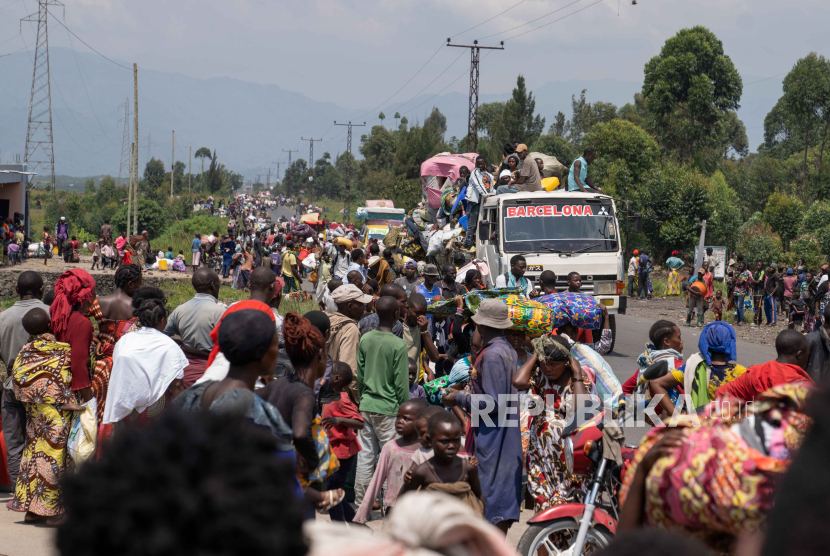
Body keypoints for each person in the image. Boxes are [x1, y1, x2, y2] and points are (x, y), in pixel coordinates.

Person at [442, 299, 521, 533]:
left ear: (482, 327)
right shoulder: (505, 350)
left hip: (493, 431)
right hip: (499, 428)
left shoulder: (494, 355)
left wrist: (458, 398)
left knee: (490, 494)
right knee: (497, 491)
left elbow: (493, 402)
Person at [260, 312, 344, 513]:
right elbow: (300, 433)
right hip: (296, 482)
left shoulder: (276, 385)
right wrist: (314, 462)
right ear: (321, 357)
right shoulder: (304, 394)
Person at [512, 334, 597, 510]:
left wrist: (577, 374)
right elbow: (517, 381)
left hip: (566, 458)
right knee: (543, 504)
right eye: (544, 363)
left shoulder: (579, 379)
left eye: (553, 364)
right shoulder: (539, 375)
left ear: (566, 361)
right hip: (540, 453)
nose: (548, 368)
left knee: (566, 506)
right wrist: (537, 355)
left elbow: (584, 410)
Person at [9, 308, 74, 524]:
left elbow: (17, 379)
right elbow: (65, 375)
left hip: (34, 414)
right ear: (49, 326)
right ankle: (52, 512)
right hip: (55, 414)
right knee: (53, 458)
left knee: (33, 458)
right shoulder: (60, 349)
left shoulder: (25, 351)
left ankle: (32, 509)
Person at [353, 296, 410, 507]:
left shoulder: (365, 339)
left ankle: (361, 506)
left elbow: (359, 376)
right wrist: (405, 411)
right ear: (397, 315)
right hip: (390, 410)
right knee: (391, 461)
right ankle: (390, 506)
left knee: (365, 459)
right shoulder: (399, 345)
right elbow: (402, 385)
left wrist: (363, 399)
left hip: (366, 406)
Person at [102, 289, 187, 429]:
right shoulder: (170, 346)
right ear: (162, 320)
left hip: (126, 409)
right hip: (156, 411)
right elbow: (177, 386)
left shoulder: (124, 341)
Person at [0, 271, 50, 490]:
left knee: (15, 444)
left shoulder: (2, 318)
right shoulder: (51, 314)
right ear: (42, 289)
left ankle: (19, 492)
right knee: (44, 440)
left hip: (12, 384)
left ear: (17, 290)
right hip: (47, 384)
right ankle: (43, 490)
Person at [648, 321, 747, 414]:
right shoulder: (741, 372)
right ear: (730, 343)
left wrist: (677, 417)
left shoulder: (693, 368)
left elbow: (655, 382)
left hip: (700, 428)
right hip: (730, 428)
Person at [354, 399, 427, 523]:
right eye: (398, 417)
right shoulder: (390, 447)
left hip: (421, 511)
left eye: (406, 419)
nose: (399, 422)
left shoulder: (427, 450)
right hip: (394, 510)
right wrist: (361, 516)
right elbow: (376, 481)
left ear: (422, 422)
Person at [87, 264, 143, 425]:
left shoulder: (97, 302)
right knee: (125, 412)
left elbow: (76, 322)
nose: (140, 287)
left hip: (101, 364)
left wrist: (95, 340)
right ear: (131, 284)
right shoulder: (138, 306)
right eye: (139, 284)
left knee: (100, 408)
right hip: (127, 365)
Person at [401, 411, 484, 516]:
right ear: (430, 440)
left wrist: (483, 524)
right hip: (432, 527)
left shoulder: (468, 468)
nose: (451, 446)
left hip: (464, 525)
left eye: (456, 441)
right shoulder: (422, 472)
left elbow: (479, 496)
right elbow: (403, 500)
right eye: (444, 441)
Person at [163, 268, 227, 388]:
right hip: (212, 372)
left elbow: (162, 335)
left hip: (184, 373)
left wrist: (180, 344)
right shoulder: (221, 312)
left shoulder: (180, 310)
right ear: (213, 285)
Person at [715, 329, 813, 401]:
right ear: (799, 355)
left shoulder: (755, 373)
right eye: (807, 355)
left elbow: (720, 394)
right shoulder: (804, 388)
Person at [320, 362, 364, 522]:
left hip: (342, 453)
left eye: (327, 373)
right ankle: (355, 523)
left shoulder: (341, 399)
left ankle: (339, 528)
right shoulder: (330, 395)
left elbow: (360, 423)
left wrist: (339, 419)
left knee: (332, 494)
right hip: (333, 451)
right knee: (334, 492)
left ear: (337, 378)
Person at [50, 269, 96, 405]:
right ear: (89, 296)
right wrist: (89, 401)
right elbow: (78, 366)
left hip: (55, 386)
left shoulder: (60, 318)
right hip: (70, 392)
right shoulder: (82, 323)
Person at [325, 283, 373, 397]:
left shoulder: (326, 319)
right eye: (361, 305)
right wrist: (356, 400)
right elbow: (349, 371)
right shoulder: (350, 329)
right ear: (350, 306)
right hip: (337, 396)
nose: (364, 308)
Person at [463, 156, 492, 251]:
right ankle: (468, 244)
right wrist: (486, 195)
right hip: (475, 202)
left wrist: (492, 195)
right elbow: (478, 185)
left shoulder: (489, 175)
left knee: (484, 223)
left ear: (485, 164)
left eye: (482, 163)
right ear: (476, 164)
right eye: (478, 164)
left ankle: (479, 243)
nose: (480, 165)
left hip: (485, 201)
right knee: (472, 224)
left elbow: (490, 187)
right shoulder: (474, 173)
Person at [733, 261, 752, 326]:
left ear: (744, 267)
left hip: (741, 292)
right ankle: (738, 320)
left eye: (741, 266)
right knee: (737, 306)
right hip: (735, 292)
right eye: (739, 266)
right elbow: (733, 281)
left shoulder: (745, 273)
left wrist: (736, 281)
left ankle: (742, 320)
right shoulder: (737, 273)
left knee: (740, 306)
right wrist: (735, 273)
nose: (740, 267)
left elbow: (741, 282)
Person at [751, 261, 767, 327]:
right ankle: (759, 321)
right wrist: (755, 282)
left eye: (759, 265)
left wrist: (755, 282)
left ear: (762, 266)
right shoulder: (755, 273)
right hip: (755, 292)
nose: (758, 266)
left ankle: (756, 321)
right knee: (757, 307)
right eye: (757, 265)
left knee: (758, 307)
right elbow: (753, 281)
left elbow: (759, 281)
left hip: (760, 293)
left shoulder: (762, 272)